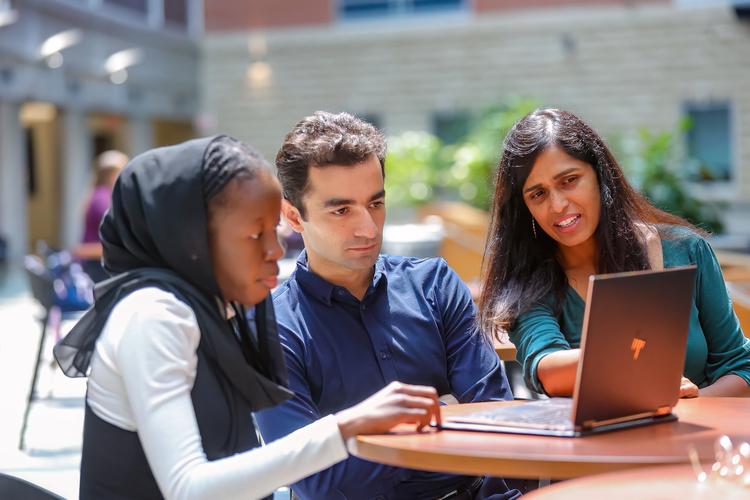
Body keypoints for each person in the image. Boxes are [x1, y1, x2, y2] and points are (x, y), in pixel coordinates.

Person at [53, 136, 444, 500]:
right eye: (255, 235)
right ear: (194, 240)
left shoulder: (209, 309)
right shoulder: (155, 316)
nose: (276, 250)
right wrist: (346, 426)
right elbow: (189, 488)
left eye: (274, 231)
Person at [254, 112, 518, 500]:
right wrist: (444, 420)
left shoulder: (435, 285)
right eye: (341, 210)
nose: (369, 228)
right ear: (293, 215)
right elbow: (314, 479)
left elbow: (495, 421)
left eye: (375, 203)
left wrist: (360, 440)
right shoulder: (271, 328)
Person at [477, 108, 750, 399]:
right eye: (538, 194)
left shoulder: (686, 251)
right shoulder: (529, 283)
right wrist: (629, 355)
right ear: (525, 208)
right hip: (597, 444)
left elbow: (739, 366)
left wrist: (681, 404)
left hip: (698, 439)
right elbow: (546, 369)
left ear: (600, 175)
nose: (557, 205)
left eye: (569, 180)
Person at [73, 149, 129, 282]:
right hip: (98, 265)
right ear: (112, 174)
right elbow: (115, 235)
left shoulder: (97, 194)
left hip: (94, 262)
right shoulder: (103, 199)